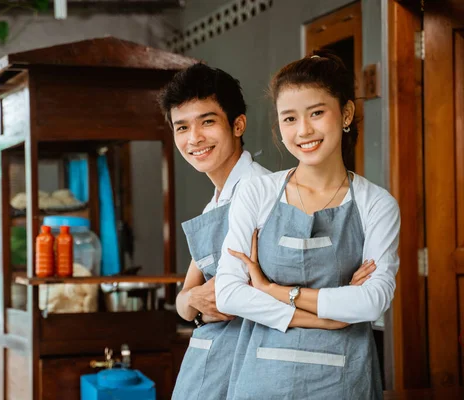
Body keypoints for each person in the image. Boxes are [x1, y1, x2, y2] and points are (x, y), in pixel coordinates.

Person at [215, 50, 400, 399]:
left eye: (317, 113)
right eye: (289, 118)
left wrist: (273, 291)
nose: (303, 131)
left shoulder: (377, 205)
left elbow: (373, 301)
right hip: (262, 380)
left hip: (344, 381)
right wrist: (328, 315)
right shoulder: (258, 192)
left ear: (346, 113)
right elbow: (228, 293)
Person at [158, 63, 271, 399]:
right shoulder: (215, 204)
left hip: (255, 357)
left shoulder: (263, 190)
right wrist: (193, 299)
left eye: (207, 121)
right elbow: (185, 300)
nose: (194, 139)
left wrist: (198, 300)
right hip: (219, 354)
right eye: (182, 127)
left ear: (238, 124)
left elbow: (251, 294)